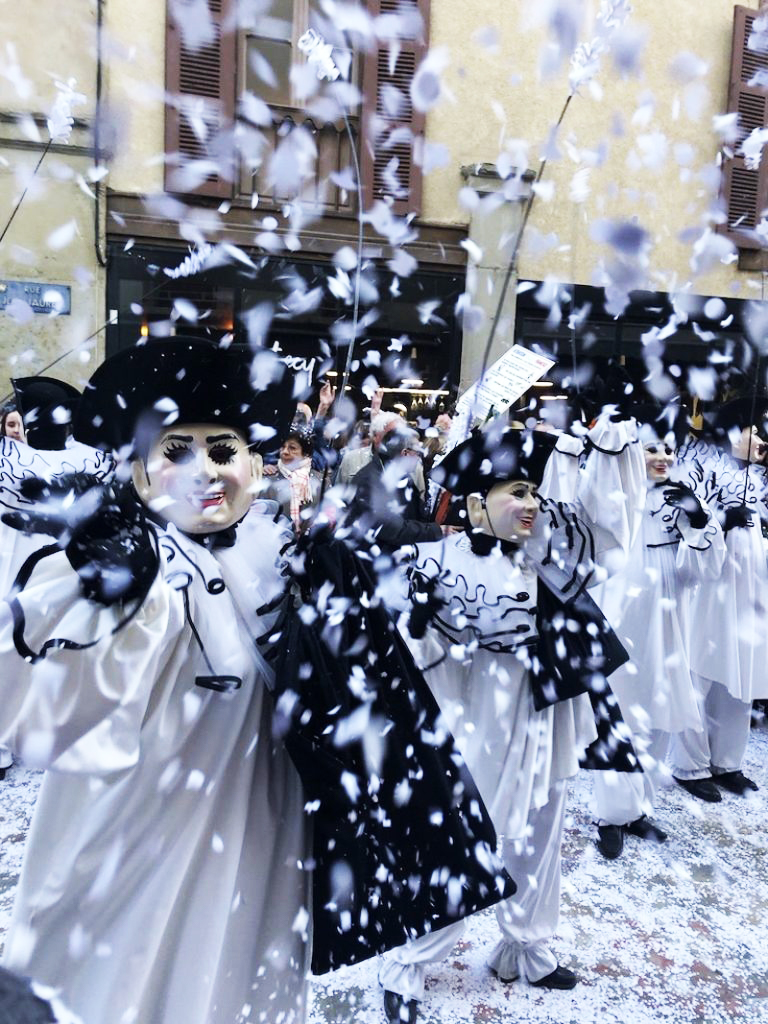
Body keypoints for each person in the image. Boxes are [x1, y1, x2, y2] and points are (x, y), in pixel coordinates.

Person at [0, 339, 512, 1024]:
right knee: (131, 987)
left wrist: (340, 596)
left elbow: (365, 699)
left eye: (223, 451)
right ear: (136, 467)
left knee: (242, 982)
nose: (206, 472)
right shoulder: (127, 569)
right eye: (176, 450)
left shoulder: (285, 557)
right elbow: (54, 710)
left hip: (261, 832)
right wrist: (111, 592)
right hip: (146, 835)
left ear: (255, 462)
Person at [378, 416, 645, 1023]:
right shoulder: (437, 559)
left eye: (532, 490)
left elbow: (609, 537)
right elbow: (416, 657)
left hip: (545, 713)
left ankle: (524, 946)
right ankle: (409, 963)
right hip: (479, 719)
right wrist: (421, 621)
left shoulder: (547, 553)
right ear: (476, 503)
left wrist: (602, 454)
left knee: (541, 831)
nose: (530, 503)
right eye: (515, 492)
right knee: (469, 839)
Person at [589, 406, 726, 858]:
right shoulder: (618, 496)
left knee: (660, 712)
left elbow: (704, 570)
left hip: (668, 617)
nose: (663, 456)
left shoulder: (685, 497)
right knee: (622, 714)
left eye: (668, 448)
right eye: (651, 449)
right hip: (624, 613)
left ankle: (639, 809)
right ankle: (611, 813)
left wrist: (701, 525)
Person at [671, 397, 768, 799]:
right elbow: (680, 513)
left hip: (752, 588)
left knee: (741, 673)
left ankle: (728, 761)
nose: (763, 439)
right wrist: (717, 521)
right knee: (700, 671)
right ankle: (690, 765)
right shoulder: (698, 465)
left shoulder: (762, 477)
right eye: (756, 429)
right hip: (709, 585)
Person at [343, 415, 441, 550]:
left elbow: (417, 516)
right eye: (417, 452)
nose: (419, 457)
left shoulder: (402, 478)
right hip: (369, 563)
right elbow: (392, 529)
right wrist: (436, 531)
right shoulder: (368, 481)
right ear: (405, 453)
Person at [262, 424, 322, 531]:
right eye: (283, 447)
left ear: (306, 453)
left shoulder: (320, 481)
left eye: (292, 448)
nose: (284, 452)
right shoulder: (268, 476)